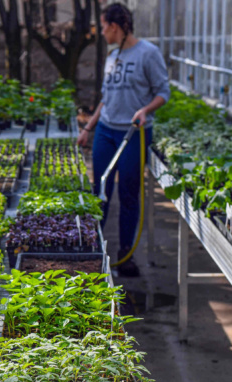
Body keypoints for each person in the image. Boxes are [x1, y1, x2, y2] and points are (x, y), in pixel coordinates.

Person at [77, 3, 170, 277]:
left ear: (115, 27)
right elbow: (106, 98)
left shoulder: (148, 54)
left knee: (129, 191)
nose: (102, 32)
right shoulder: (111, 55)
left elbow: (163, 92)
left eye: (103, 27)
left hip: (133, 133)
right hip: (106, 131)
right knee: (100, 190)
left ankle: (125, 254)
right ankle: (91, 250)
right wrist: (88, 129)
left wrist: (145, 110)